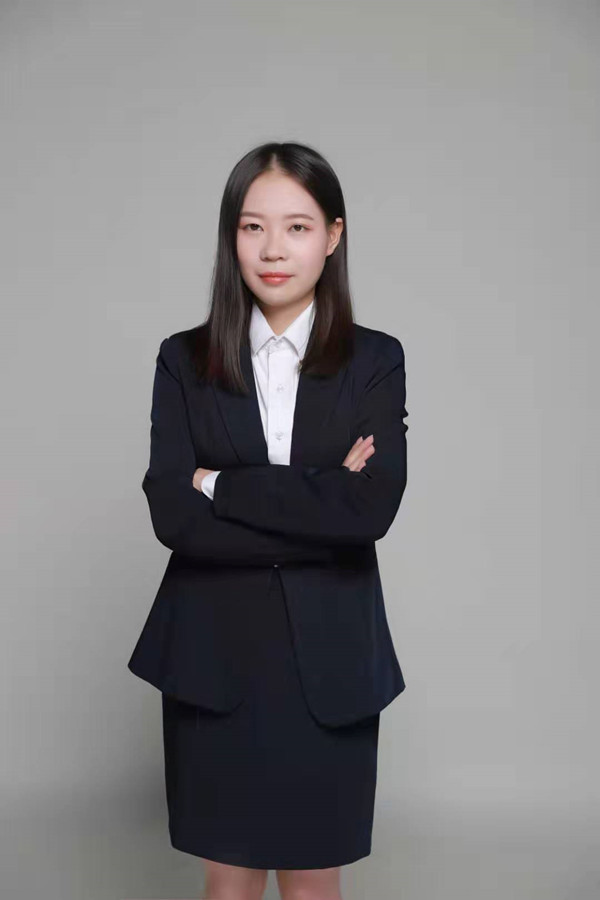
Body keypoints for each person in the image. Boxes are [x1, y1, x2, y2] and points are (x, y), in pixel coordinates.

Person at [128, 140, 409, 900]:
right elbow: (174, 518)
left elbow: (370, 510)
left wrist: (220, 482)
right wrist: (320, 498)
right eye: (253, 227)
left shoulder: (375, 361)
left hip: (332, 659)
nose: (273, 249)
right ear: (232, 236)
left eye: (297, 227)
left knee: (314, 886)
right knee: (229, 886)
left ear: (334, 235)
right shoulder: (182, 361)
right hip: (213, 655)